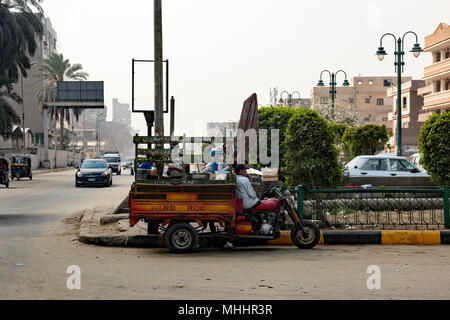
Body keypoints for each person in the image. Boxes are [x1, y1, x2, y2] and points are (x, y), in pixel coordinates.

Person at [235, 164, 262, 231]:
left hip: (241, 204)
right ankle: (258, 223)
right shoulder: (244, 179)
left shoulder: (235, 179)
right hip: (247, 204)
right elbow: (252, 194)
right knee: (259, 202)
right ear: (240, 171)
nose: (246, 172)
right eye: (245, 170)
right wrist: (255, 195)